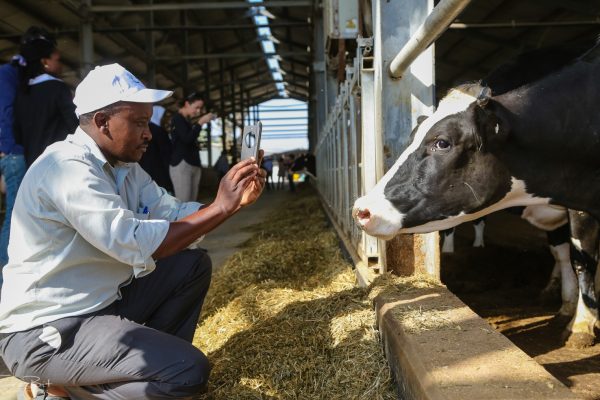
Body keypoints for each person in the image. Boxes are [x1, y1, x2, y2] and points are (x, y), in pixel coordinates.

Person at [0, 63, 266, 399]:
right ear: (102, 122)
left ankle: (117, 373)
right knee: (188, 373)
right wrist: (221, 207)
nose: (149, 133)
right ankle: (63, 387)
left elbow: (174, 214)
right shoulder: (65, 168)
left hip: (99, 306)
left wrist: (234, 202)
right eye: (139, 122)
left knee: (190, 264)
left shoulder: (125, 169)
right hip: (47, 329)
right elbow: (134, 242)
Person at [13, 26, 78, 167]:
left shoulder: (21, 92)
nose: (61, 65)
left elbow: (17, 134)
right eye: (58, 60)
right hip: (58, 164)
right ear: (45, 62)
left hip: (32, 166)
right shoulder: (57, 88)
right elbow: (74, 126)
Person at [0, 53, 26, 271]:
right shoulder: (9, 75)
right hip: (13, 152)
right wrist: (10, 147)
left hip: (9, 152)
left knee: (13, 215)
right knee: (14, 216)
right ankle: (5, 275)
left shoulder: (9, 73)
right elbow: (7, 112)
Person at [169, 92, 214, 202]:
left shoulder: (185, 120)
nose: (198, 111)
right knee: (184, 202)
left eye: (200, 108)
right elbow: (187, 139)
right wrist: (200, 123)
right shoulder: (177, 119)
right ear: (187, 104)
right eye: (196, 107)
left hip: (191, 164)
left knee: (191, 203)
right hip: (182, 164)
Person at [139, 105, 174, 193]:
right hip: (159, 169)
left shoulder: (143, 129)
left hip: (145, 167)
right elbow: (167, 151)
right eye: (164, 117)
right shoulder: (159, 131)